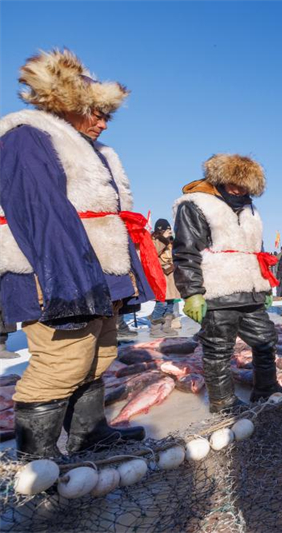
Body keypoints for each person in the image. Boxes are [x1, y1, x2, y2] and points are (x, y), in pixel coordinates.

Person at [0, 49, 157, 456]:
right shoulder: (28, 136)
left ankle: (90, 433)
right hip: (56, 274)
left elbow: (111, 220)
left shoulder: (95, 151)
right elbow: (41, 213)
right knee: (62, 362)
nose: (103, 123)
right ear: (66, 104)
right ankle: (36, 462)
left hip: (98, 271)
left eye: (108, 115)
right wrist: (68, 286)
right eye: (94, 112)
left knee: (100, 353)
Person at [174, 154, 282, 413]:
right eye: (233, 183)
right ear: (220, 179)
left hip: (251, 290)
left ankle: (266, 387)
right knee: (218, 349)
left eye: (245, 185)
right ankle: (222, 402)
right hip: (217, 289)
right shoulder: (194, 205)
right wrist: (192, 292)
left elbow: (256, 251)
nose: (239, 190)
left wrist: (264, 286)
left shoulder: (251, 210)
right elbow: (186, 252)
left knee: (265, 340)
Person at [149, 219, 180, 338]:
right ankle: (155, 328)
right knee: (161, 304)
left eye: (169, 229)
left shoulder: (172, 242)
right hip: (160, 276)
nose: (169, 232)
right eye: (166, 230)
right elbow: (154, 252)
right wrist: (163, 239)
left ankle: (166, 327)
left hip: (171, 276)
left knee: (171, 303)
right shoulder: (154, 240)